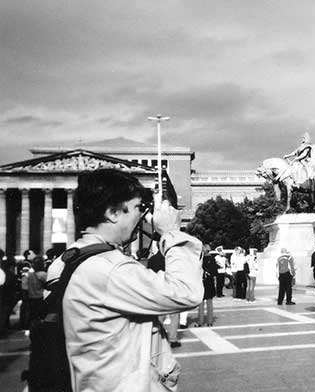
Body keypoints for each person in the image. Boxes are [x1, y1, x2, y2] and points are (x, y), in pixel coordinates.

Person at [47, 168, 203, 391]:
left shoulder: (66, 260)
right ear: (113, 213)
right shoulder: (110, 268)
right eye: (138, 208)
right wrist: (171, 233)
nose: (142, 216)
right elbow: (186, 292)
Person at [200, 246, 217, 326]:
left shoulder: (200, 259)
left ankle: (200, 321)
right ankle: (209, 321)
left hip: (201, 282)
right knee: (209, 303)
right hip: (209, 282)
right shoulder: (212, 259)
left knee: (201, 303)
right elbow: (215, 272)